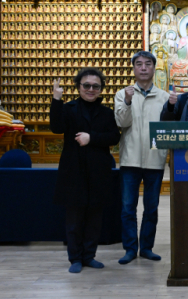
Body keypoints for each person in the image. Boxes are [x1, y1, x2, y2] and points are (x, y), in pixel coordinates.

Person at [50, 68, 120, 273]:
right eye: (86, 85)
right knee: (74, 218)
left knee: (94, 218)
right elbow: (56, 127)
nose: (91, 89)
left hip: (99, 171)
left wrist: (92, 138)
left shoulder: (107, 112)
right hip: (74, 171)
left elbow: (114, 137)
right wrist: (56, 99)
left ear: (101, 89)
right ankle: (75, 258)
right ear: (78, 87)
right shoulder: (69, 108)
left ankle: (89, 256)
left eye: (96, 86)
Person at [114, 51, 170, 265]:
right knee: (128, 207)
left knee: (152, 207)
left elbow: (168, 129)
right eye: (139, 64)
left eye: (148, 64)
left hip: (155, 160)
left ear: (154, 68)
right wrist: (128, 101)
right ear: (134, 69)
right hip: (130, 160)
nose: (144, 68)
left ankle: (146, 247)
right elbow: (122, 123)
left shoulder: (164, 97)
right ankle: (130, 249)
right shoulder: (122, 94)